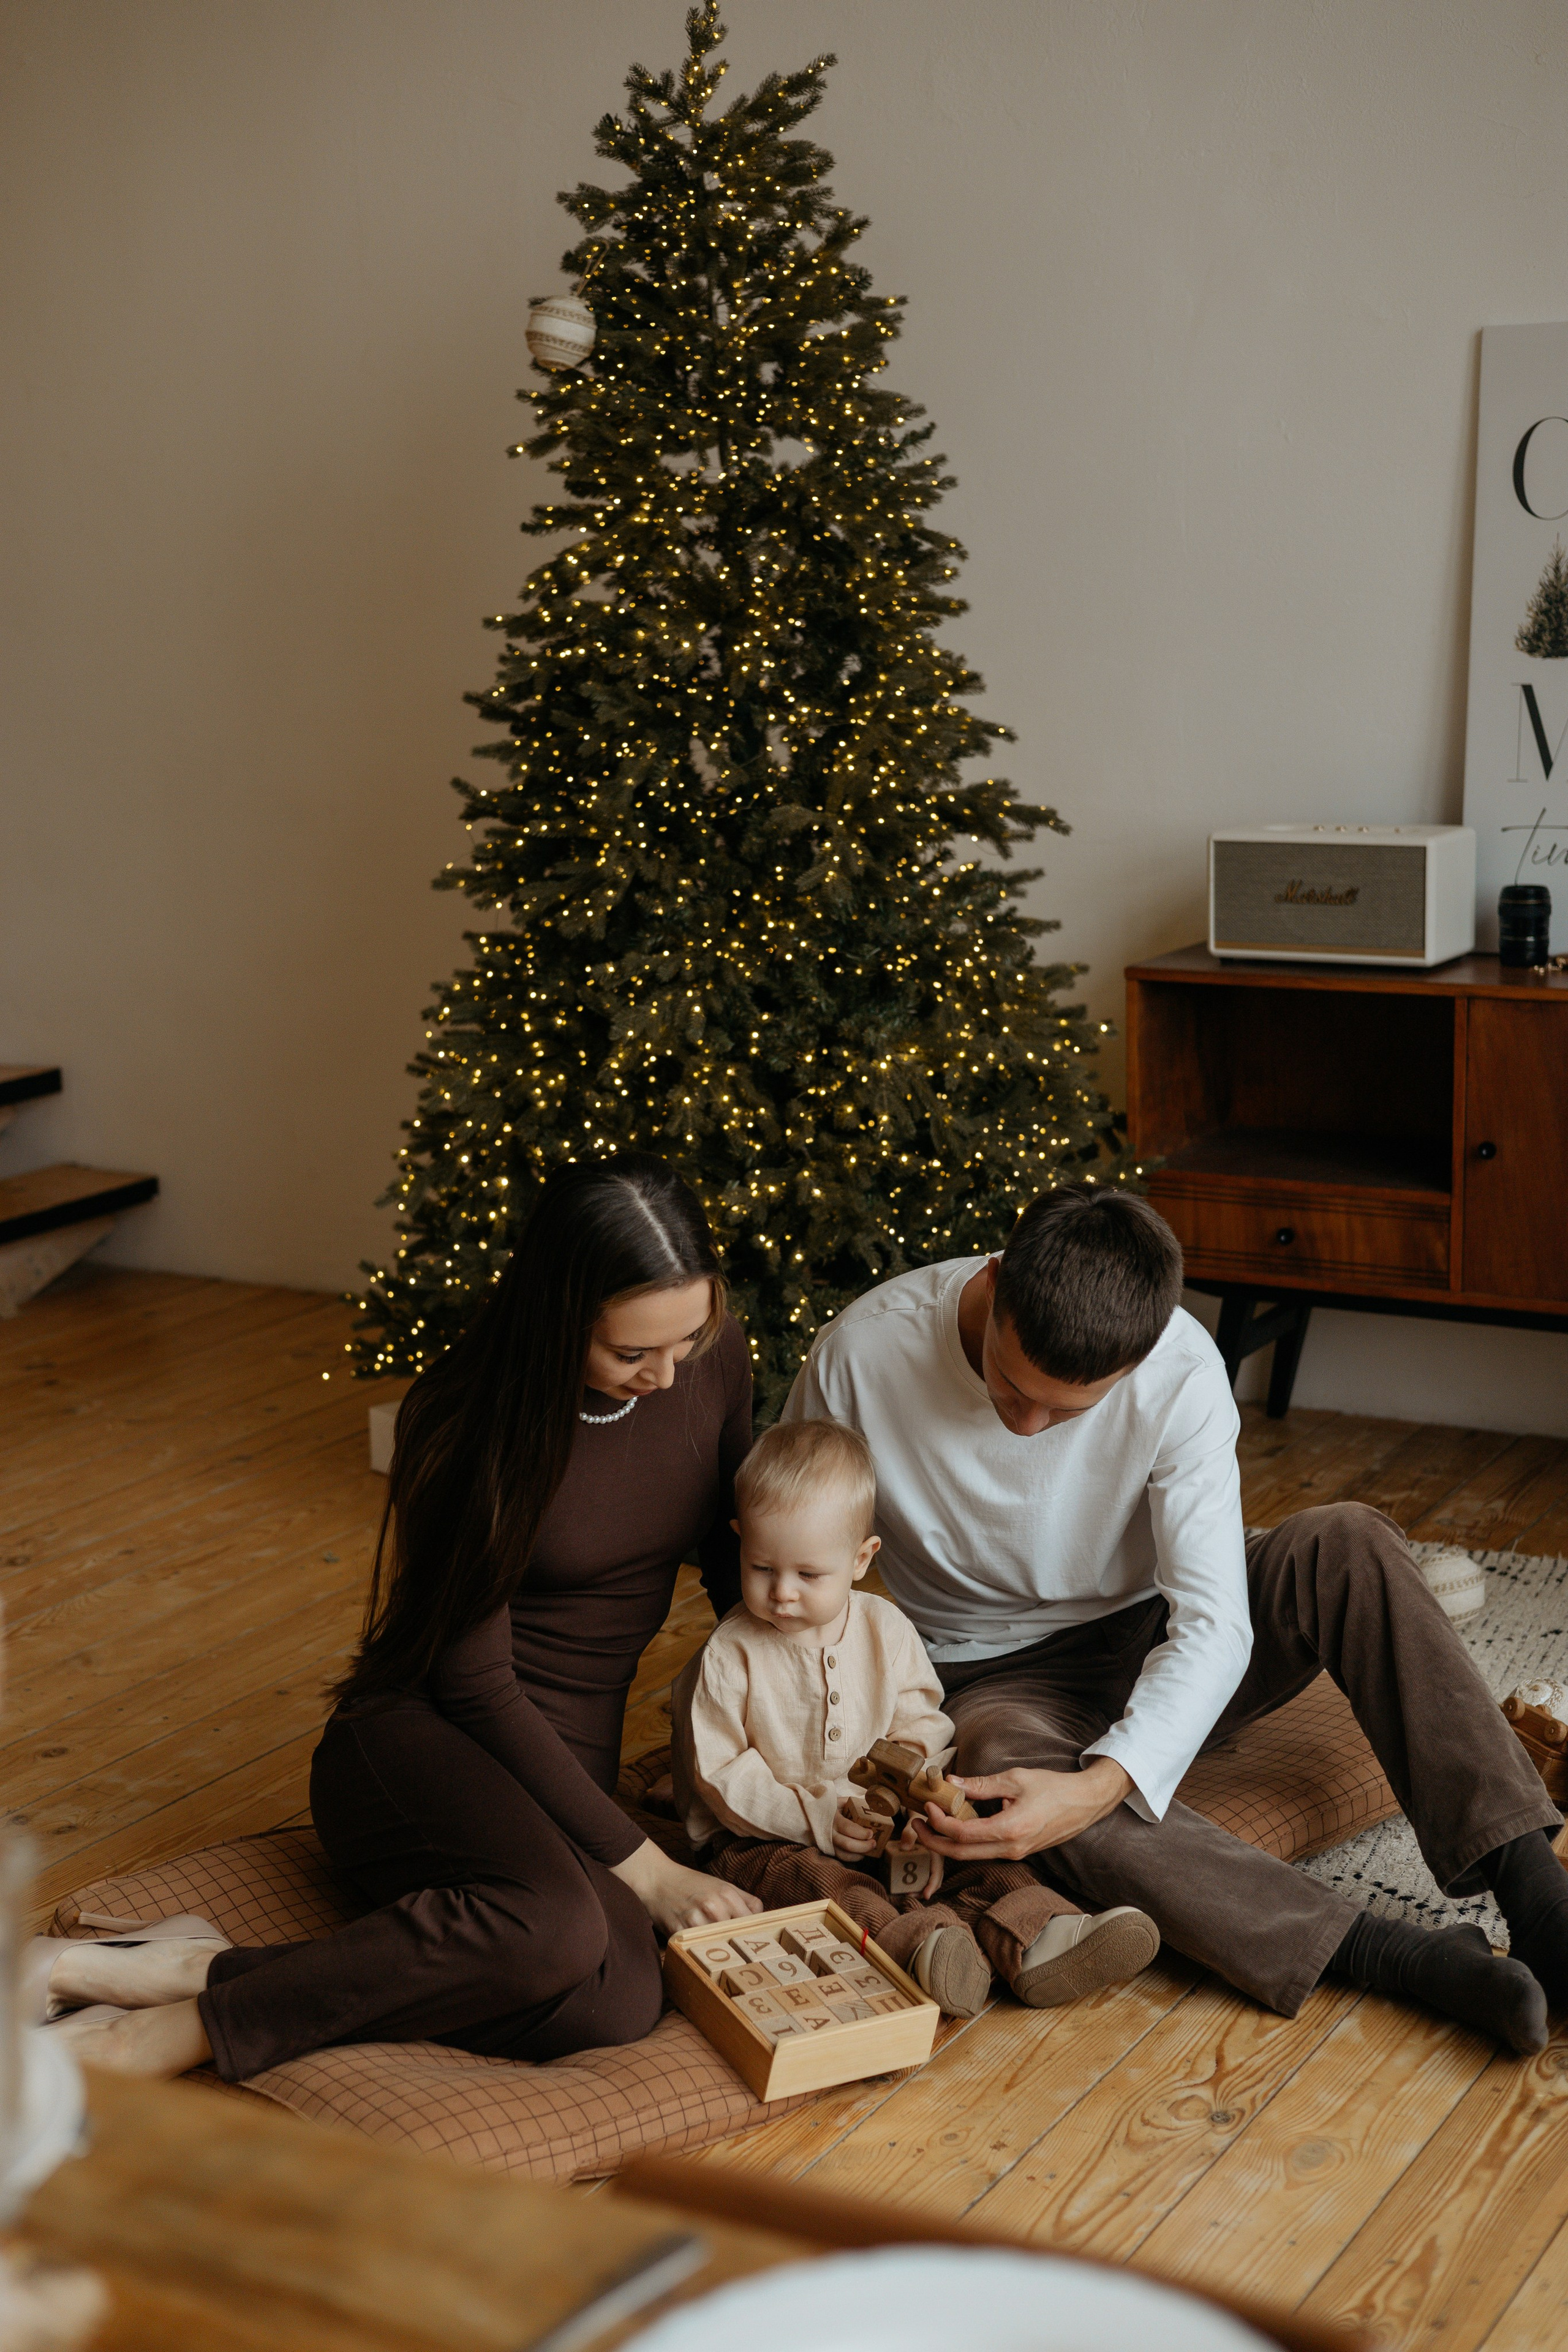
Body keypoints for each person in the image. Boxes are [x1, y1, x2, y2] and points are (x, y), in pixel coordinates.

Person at [782, 1183, 1568, 2056]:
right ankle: (1394, 1955)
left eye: (1067, 1410)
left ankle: (1539, 1899)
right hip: (994, 1677)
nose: (1030, 1425)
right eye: (1009, 1386)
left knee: (1346, 1542)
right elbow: (797, 1542)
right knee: (999, 1763)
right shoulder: (860, 1358)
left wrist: (1100, 1786)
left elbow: (1215, 1620)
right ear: (996, 1281)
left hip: (1153, 1627)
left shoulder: (1181, 1367)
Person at [40, 1155, 763, 2077]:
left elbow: (736, 1557)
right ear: (560, 1319)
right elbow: (475, 1682)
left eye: (687, 1338)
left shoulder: (713, 1358)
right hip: (423, 1738)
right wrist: (647, 1870)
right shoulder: (466, 1421)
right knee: (553, 1933)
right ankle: (154, 2032)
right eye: (631, 1354)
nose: (667, 1374)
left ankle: (191, 1968)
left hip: (566, 1757)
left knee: (615, 1998)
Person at [672, 1417, 1160, 2017]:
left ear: (861, 1559)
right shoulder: (730, 1654)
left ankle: (1042, 1933)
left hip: (885, 1822)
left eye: (809, 1574)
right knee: (822, 1887)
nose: (783, 1593)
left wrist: (912, 1815)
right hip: (762, 1837)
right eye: (762, 1568)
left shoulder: (885, 1629)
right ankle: (921, 1947)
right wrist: (818, 1818)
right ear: (741, 1541)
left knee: (967, 1851)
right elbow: (722, 1776)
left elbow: (922, 1724)